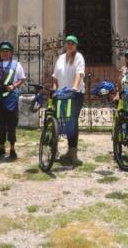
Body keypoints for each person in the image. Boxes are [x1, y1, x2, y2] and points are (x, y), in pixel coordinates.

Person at [52, 34, 85, 165]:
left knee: (72, 122)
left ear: (76, 45)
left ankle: (73, 153)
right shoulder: (60, 58)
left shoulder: (78, 57)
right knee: (58, 121)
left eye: (72, 43)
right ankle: (54, 150)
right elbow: (55, 76)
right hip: (61, 94)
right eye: (68, 43)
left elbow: (80, 73)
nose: (70, 45)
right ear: (65, 44)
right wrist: (54, 88)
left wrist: (75, 87)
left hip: (75, 95)